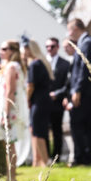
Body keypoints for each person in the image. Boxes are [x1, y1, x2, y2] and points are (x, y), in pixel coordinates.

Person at [65, 18, 91, 166]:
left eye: (69, 30)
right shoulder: (84, 43)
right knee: (83, 125)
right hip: (83, 91)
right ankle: (83, 158)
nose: (68, 33)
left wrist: (77, 90)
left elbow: (84, 69)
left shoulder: (87, 44)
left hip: (84, 92)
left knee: (80, 125)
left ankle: (82, 158)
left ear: (74, 29)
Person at [0, 39, 28, 181]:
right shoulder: (11, 66)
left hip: (9, 110)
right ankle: (11, 177)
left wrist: (6, 114)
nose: (1, 51)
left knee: (9, 145)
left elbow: (10, 91)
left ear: (13, 51)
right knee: (9, 145)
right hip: (6, 109)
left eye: (4, 49)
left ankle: (11, 178)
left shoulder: (11, 67)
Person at [23, 38, 54, 168]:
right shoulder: (41, 63)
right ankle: (37, 161)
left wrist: (26, 99)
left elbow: (30, 85)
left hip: (38, 101)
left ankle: (45, 161)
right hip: (43, 100)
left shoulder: (35, 64)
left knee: (38, 131)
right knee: (37, 130)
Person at [46, 37, 71, 163]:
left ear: (57, 47)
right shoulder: (42, 62)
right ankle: (45, 156)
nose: (49, 49)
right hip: (44, 102)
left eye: (52, 46)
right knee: (43, 130)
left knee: (57, 130)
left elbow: (67, 84)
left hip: (57, 101)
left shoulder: (65, 63)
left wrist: (58, 93)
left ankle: (56, 156)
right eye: (47, 46)